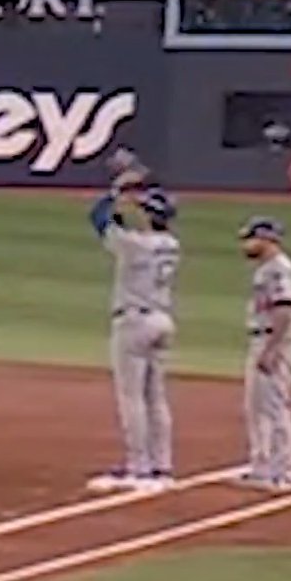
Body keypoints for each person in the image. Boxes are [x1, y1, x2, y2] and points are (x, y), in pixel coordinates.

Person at [86, 159, 181, 494]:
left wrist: (119, 190)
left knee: (132, 397)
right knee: (156, 397)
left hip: (135, 322)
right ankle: (163, 466)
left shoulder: (135, 245)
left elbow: (97, 218)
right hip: (162, 319)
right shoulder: (172, 246)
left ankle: (138, 467)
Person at [236, 217, 291, 492]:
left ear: (265, 238)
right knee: (256, 407)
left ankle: (282, 471)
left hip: (274, 341)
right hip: (263, 339)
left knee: (275, 406)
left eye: (250, 239)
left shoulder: (278, 269)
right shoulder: (267, 269)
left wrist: (273, 349)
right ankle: (261, 467)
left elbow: (285, 310)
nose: (246, 245)